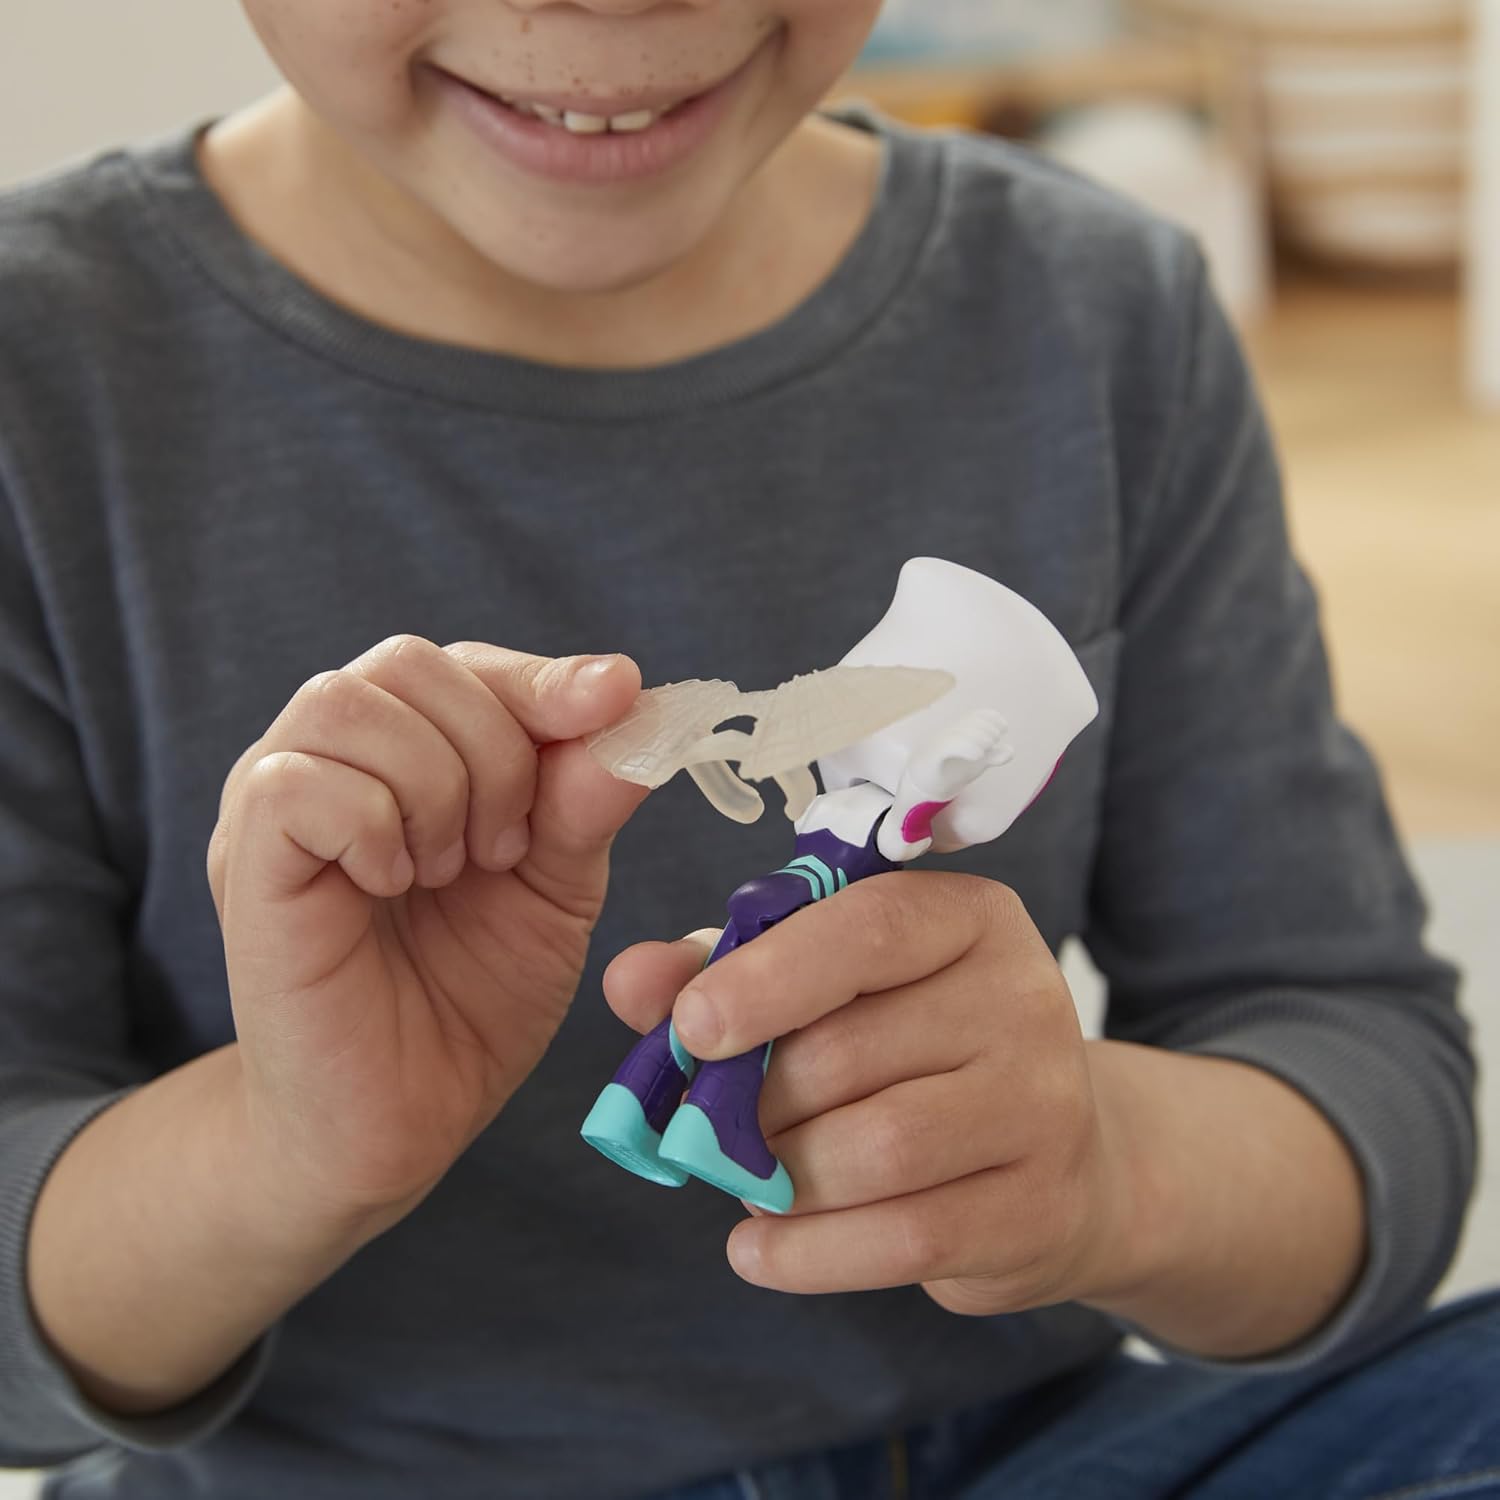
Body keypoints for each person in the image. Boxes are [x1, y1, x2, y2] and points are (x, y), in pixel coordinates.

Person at [0, 2, 1490, 1497]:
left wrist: (1110, 1172)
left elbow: (1358, 1074)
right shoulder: (39, 374)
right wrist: (286, 1149)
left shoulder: (1098, 312)